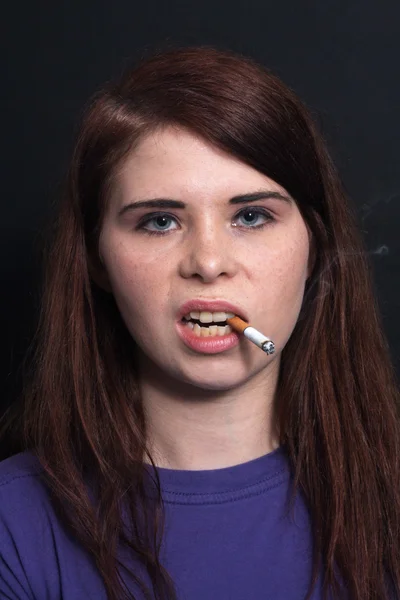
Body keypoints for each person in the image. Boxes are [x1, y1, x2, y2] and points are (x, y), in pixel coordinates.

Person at [0, 45, 399, 600]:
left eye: (252, 216)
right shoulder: (13, 525)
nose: (208, 263)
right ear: (96, 260)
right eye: (160, 221)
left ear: (316, 244)